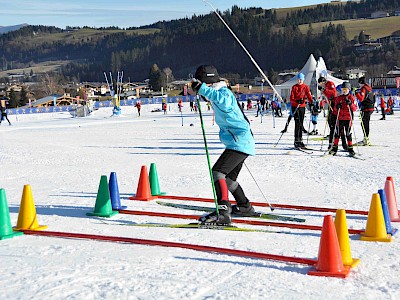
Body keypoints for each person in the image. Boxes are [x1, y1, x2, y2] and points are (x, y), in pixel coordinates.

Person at [191, 65, 255, 226]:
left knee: (217, 173)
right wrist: (201, 91)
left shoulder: (224, 92)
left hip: (240, 141)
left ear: (208, 82)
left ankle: (223, 212)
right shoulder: (217, 92)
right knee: (229, 179)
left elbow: (224, 102)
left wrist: (202, 89)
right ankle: (245, 206)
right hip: (239, 141)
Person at [318, 77, 347, 150]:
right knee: (330, 123)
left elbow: (333, 92)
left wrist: (324, 90)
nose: (321, 85)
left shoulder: (330, 83)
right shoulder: (325, 85)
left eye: (321, 83)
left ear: (323, 82)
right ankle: (332, 141)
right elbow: (326, 95)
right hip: (330, 104)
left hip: (334, 103)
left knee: (337, 123)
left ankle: (343, 143)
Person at [328, 82, 357, 156]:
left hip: (348, 118)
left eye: (346, 89)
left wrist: (350, 104)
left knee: (348, 133)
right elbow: (334, 110)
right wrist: (337, 107)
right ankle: (334, 149)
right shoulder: (339, 98)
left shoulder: (351, 97)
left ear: (348, 90)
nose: (344, 91)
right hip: (340, 118)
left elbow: (354, 108)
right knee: (337, 133)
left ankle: (350, 149)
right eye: (343, 89)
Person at [289, 72, 313, 148]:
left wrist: (311, 102)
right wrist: (296, 101)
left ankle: (300, 140)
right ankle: (296, 140)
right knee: (297, 123)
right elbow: (291, 98)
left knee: (301, 122)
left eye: (301, 80)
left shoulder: (305, 87)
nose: (299, 81)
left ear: (303, 80)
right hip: (295, 106)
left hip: (302, 106)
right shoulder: (294, 87)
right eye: (298, 80)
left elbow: (309, 95)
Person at [355, 77, 374, 145]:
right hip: (370, 107)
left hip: (367, 108)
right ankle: (366, 138)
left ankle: (366, 139)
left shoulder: (364, 88)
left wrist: (356, 93)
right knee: (365, 123)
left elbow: (361, 99)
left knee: (364, 123)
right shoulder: (368, 87)